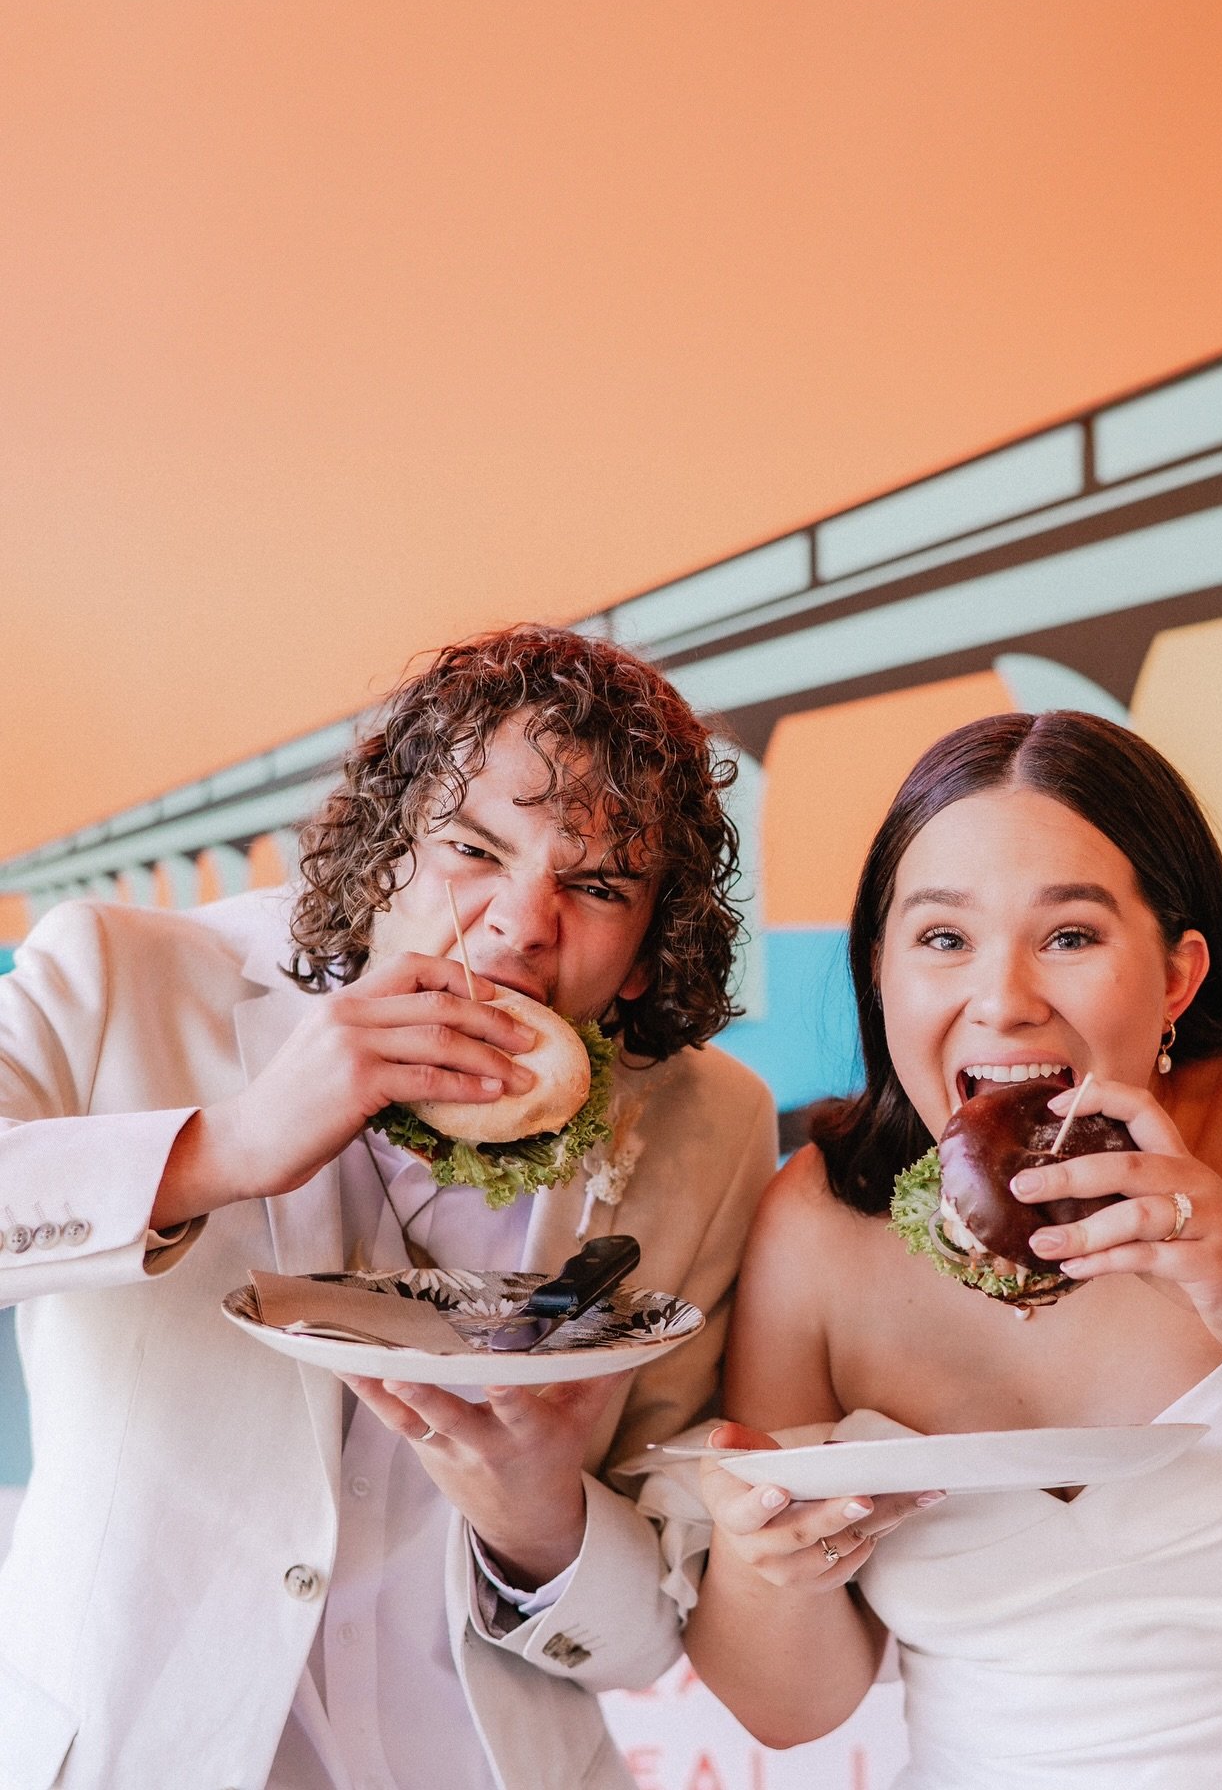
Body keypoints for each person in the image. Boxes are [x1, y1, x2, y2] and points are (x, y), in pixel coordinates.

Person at [0, 626, 777, 1790]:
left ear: (640, 953)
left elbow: (653, 1625)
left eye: (599, 884)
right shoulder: (121, 976)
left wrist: (541, 1524)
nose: (521, 923)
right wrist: (230, 1146)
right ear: (383, 859)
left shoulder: (706, 1124)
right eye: (473, 847)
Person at [677, 710, 1222, 1788]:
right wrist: (769, 1566)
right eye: (943, 939)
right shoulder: (816, 1219)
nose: (1004, 1000)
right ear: (882, 970)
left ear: (1176, 977)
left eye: (1070, 937)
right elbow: (790, 1711)